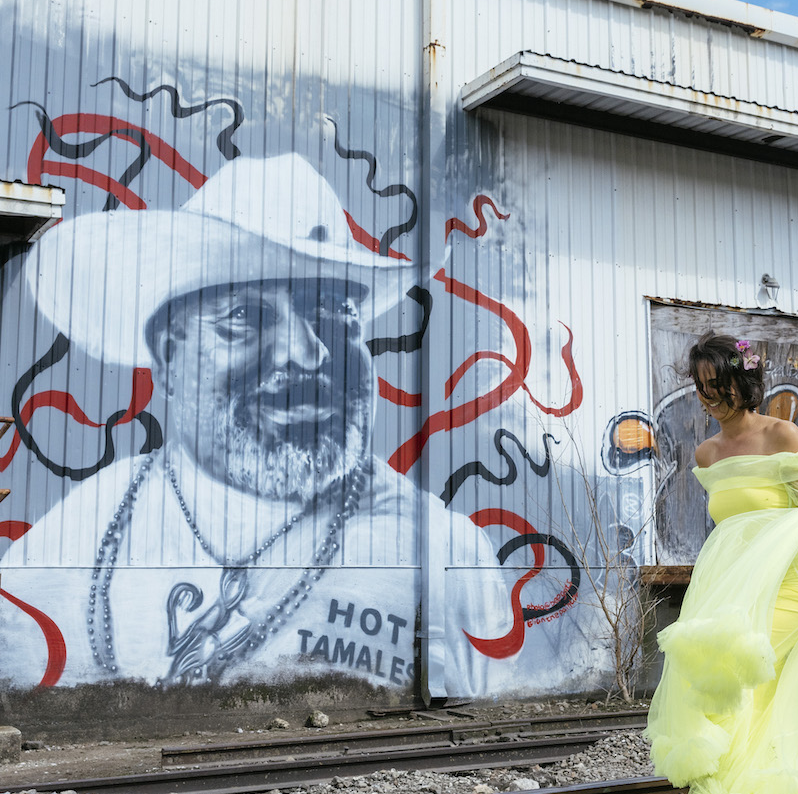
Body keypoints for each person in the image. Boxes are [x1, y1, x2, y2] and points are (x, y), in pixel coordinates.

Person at [0, 153, 510, 690]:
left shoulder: (447, 555)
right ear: (170, 359)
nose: (307, 353)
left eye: (335, 310)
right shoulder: (61, 553)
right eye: (243, 317)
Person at [645, 332, 798, 794]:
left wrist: (780, 526)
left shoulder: (783, 434)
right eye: (702, 387)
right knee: (729, 694)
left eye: (718, 385)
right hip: (735, 589)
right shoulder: (707, 454)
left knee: (741, 689)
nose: (709, 396)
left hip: (790, 587)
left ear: (744, 381)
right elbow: (727, 533)